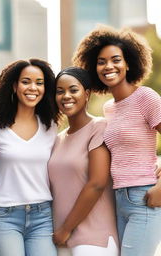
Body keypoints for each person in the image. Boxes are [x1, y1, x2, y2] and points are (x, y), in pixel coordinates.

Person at [73, 25, 161, 256]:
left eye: (115, 59)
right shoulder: (109, 108)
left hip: (144, 197)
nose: (108, 66)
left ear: (129, 63)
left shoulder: (146, 98)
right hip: (118, 199)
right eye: (101, 61)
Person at [0, 58, 60, 256]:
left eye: (39, 83)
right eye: (26, 81)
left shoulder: (50, 126)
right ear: (15, 86)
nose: (33, 88)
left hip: (43, 216)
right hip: (6, 216)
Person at [48, 67, 119, 256]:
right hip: (62, 240)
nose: (66, 96)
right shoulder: (58, 139)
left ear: (86, 94)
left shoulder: (99, 127)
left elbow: (97, 183)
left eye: (73, 90)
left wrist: (66, 229)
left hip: (95, 239)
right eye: (60, 91)